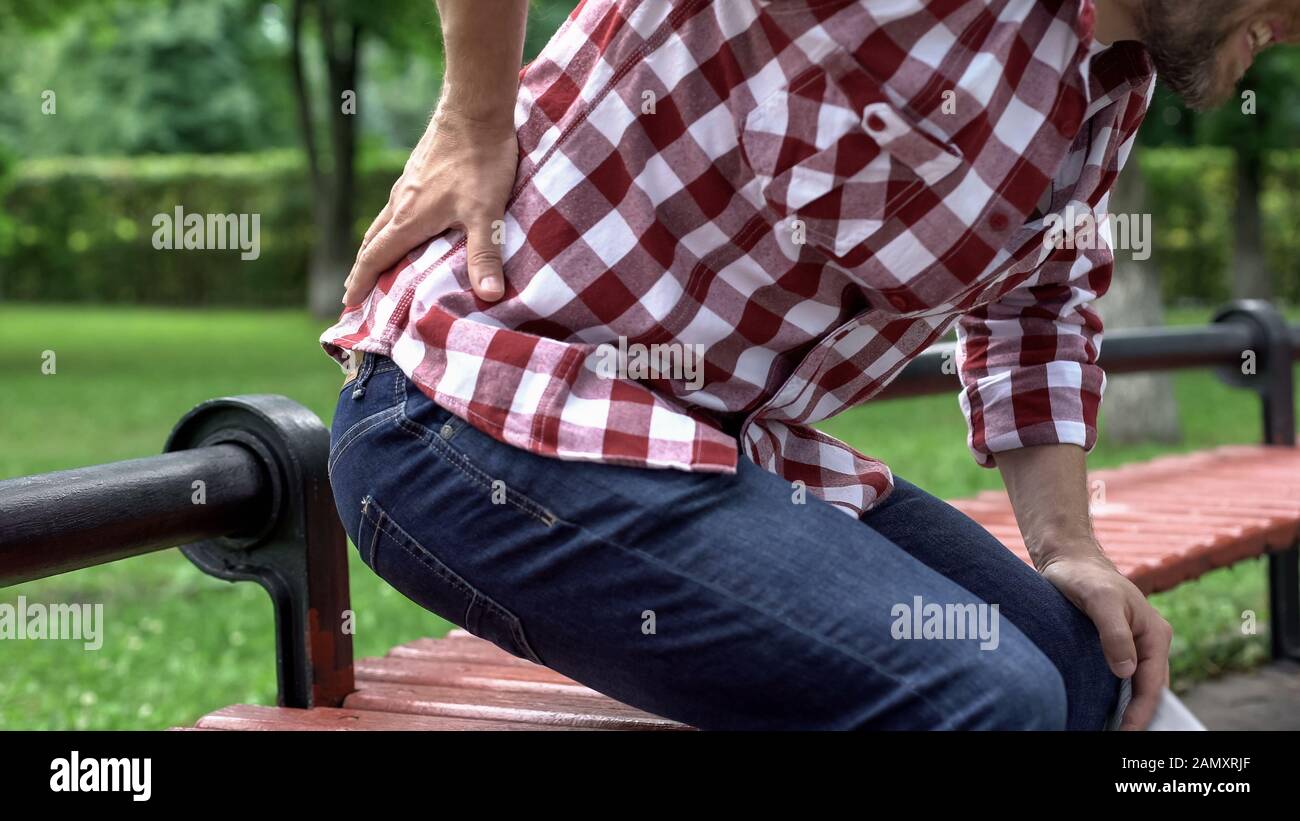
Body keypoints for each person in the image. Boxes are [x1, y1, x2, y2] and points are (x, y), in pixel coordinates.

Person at [321, 0, 1297, 730]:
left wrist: (1067, 545)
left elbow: (1039, 295)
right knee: (982, 698)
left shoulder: (1104, 76)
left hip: (717, 447)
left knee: (1097, 677)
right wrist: (475, 115)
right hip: (475, 417)